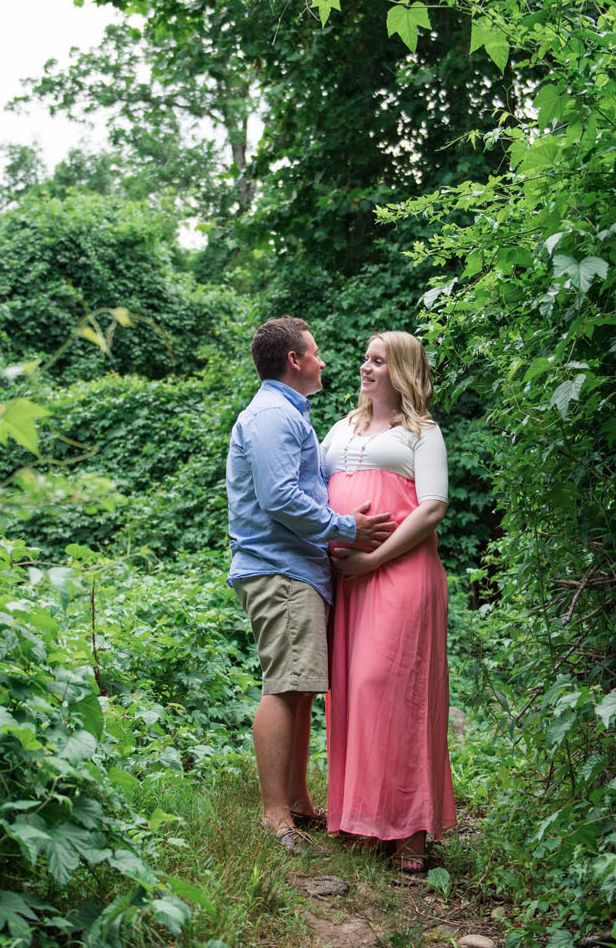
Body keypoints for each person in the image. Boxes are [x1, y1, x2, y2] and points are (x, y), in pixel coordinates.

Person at [226, 316, 396, 852]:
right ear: (295, 361)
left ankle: (296, 802)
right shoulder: (274, 416)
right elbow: (279, 498)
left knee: (300, 688)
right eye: (316, 353)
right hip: (279, 568)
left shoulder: (288, 413)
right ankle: (276, 817)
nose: (324, 362)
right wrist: (348, 528)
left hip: (296, 569)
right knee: (285, 687)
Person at [321, 330, 456, 873]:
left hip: (399, 574)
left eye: (378, 361)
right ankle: (363, 820)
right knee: (353, 693)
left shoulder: (423, 432)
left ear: (400, 369)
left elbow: (432, 508)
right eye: (365, 359)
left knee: (393, 689)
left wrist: (372, 559)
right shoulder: (341, 426)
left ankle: (410, 833)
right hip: (346, 581)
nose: (365, 367)